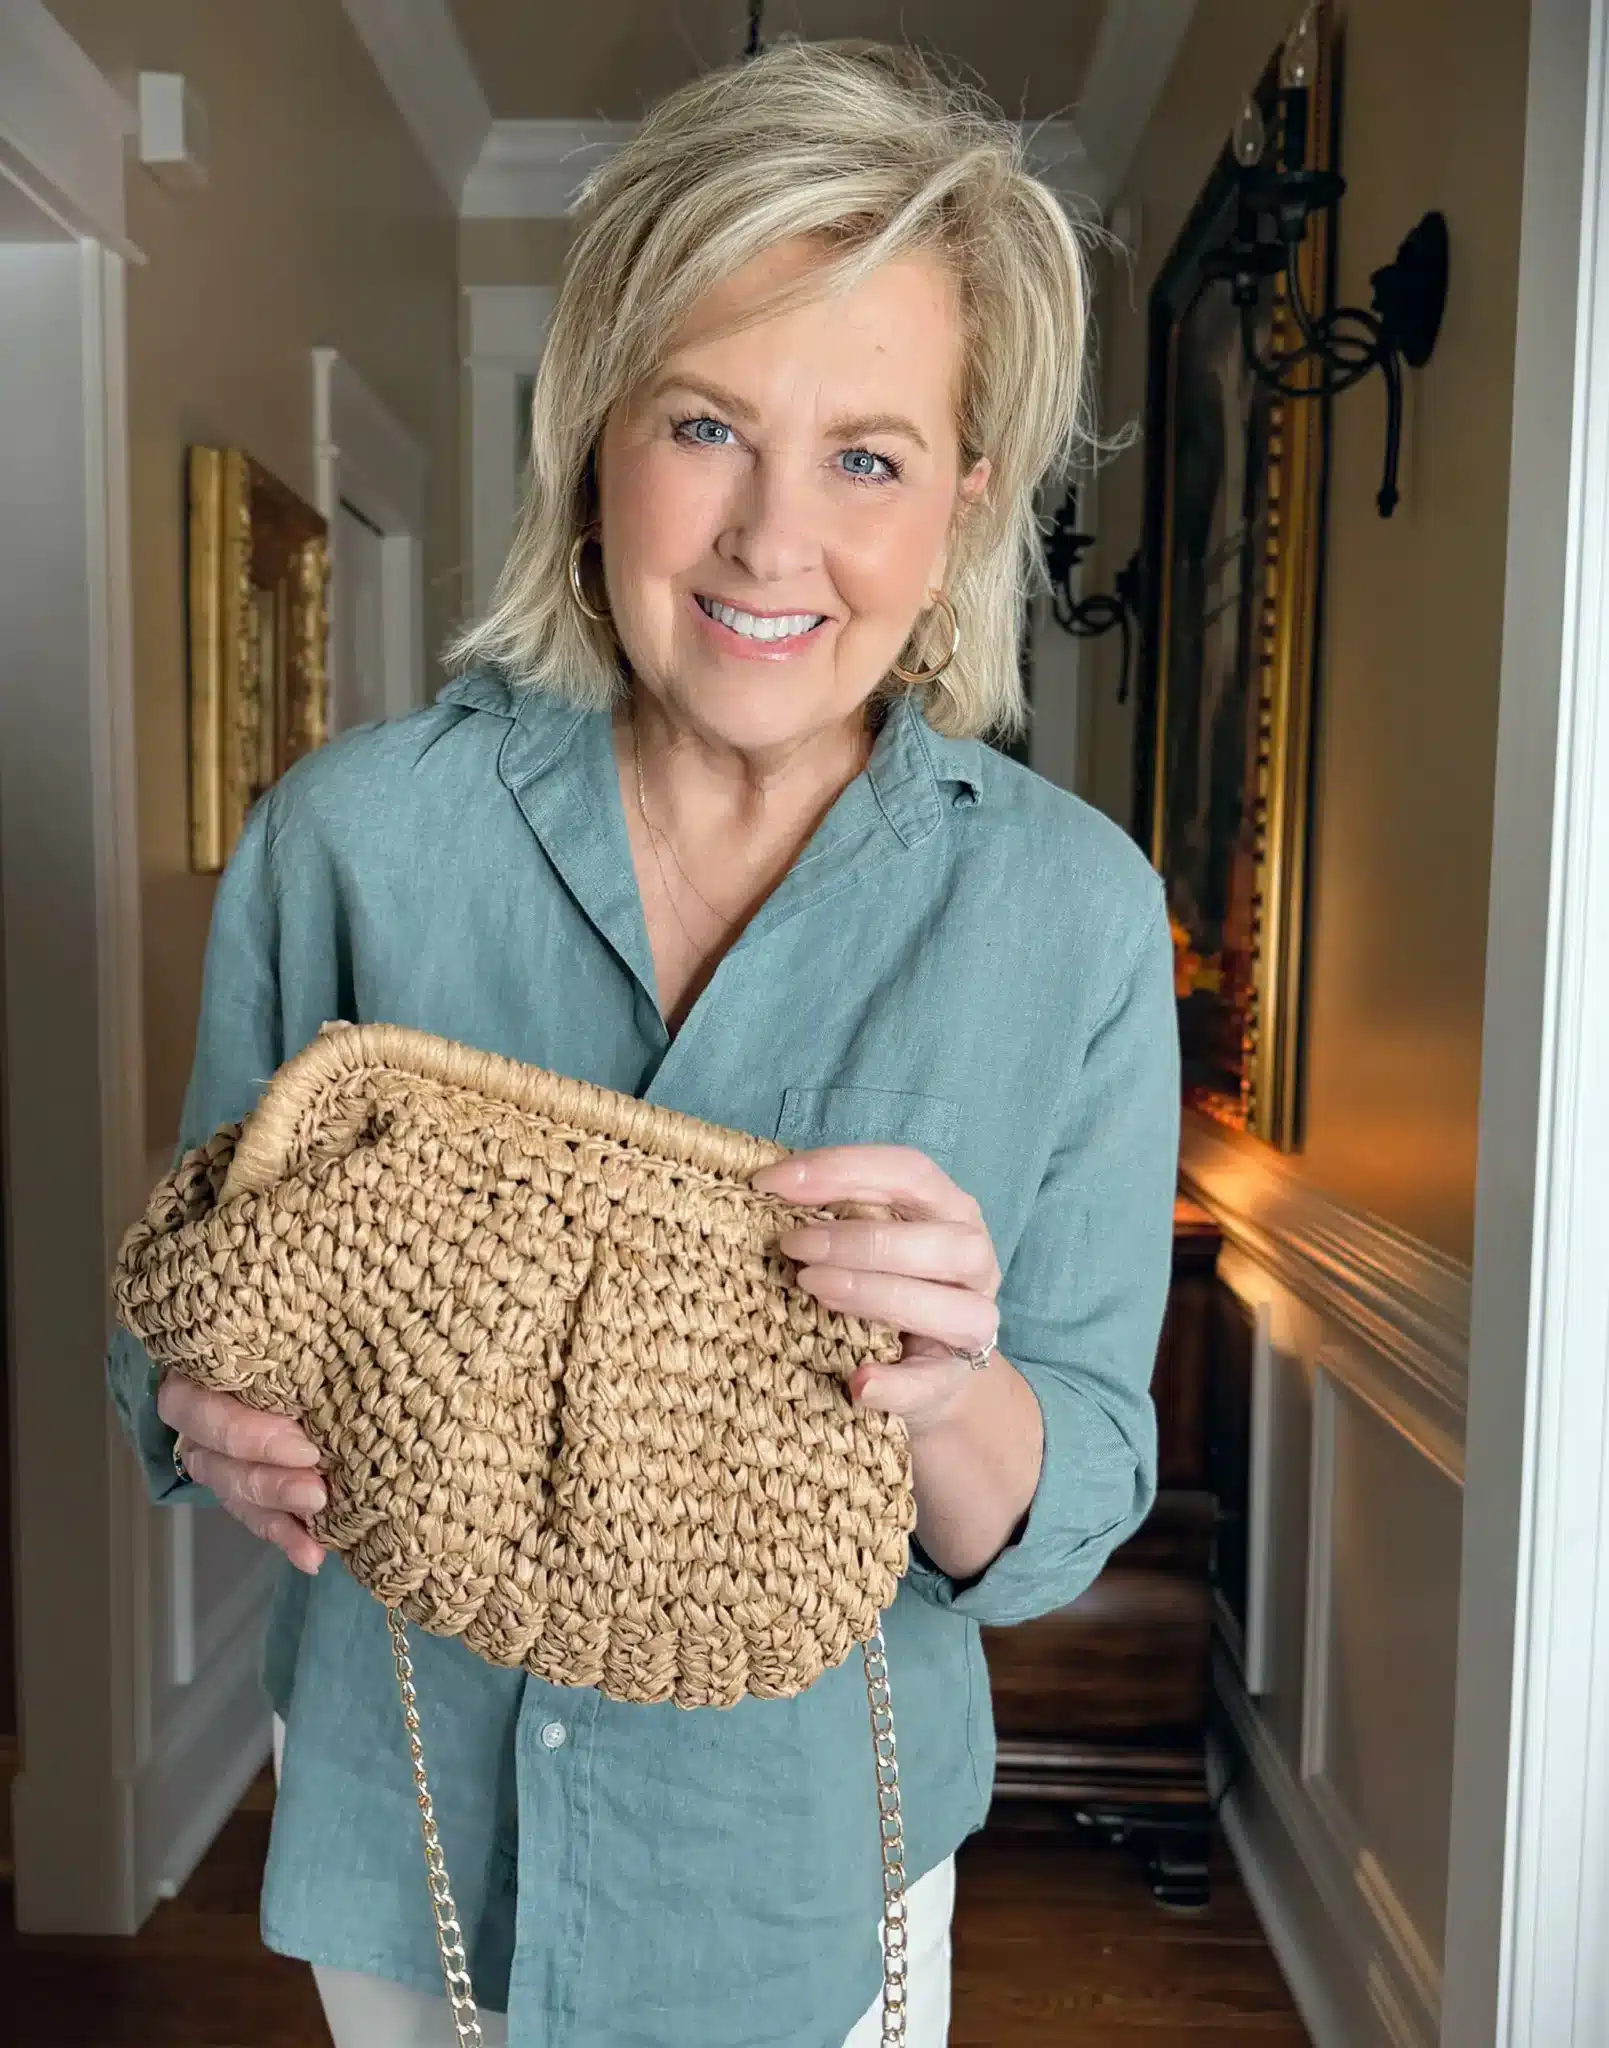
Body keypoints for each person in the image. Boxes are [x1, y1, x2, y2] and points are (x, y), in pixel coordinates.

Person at [106, 40, 1179, 2048]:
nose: (778, 538)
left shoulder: (1074, 915)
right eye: (707, 423)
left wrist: (950, 1391)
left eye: (868, 454)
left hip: (812, 1871)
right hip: (414, 1821)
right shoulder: (351, 840)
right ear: (595, 434)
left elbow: (1066, 1499)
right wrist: (192, 1407)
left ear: (959, 502)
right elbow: (176, 1306)